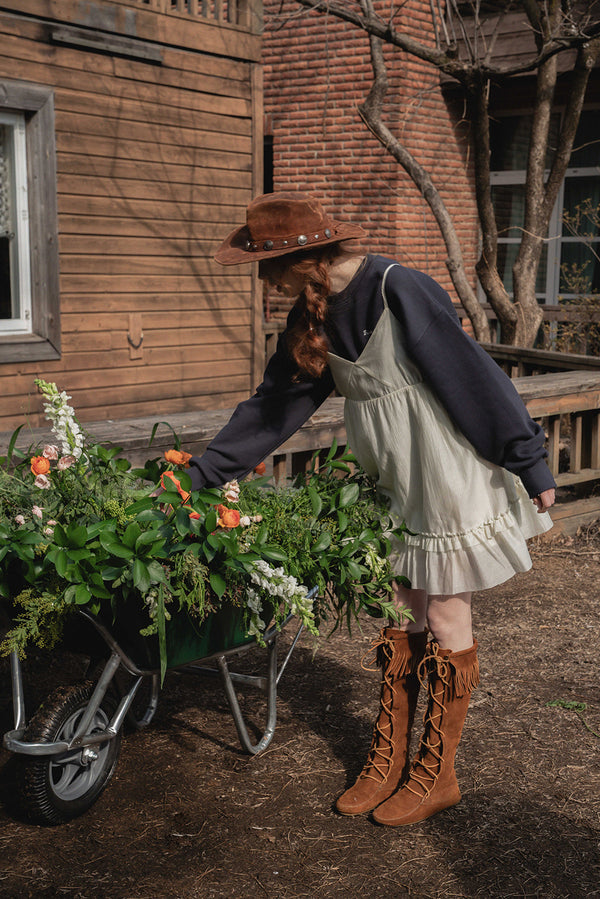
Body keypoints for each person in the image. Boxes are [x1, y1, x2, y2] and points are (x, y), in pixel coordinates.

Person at [186, 191, 556, 827]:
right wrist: (203, 473)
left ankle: (434, 772)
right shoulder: (311, 316)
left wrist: (526, 457)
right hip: (390, 474)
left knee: (442, 608)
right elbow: (276, 406)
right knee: (400, 605)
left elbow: (470, 374)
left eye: (265, 265)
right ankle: (391, 760)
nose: (262, 279)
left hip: (445, 465)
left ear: (299, 260)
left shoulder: (396, 287)